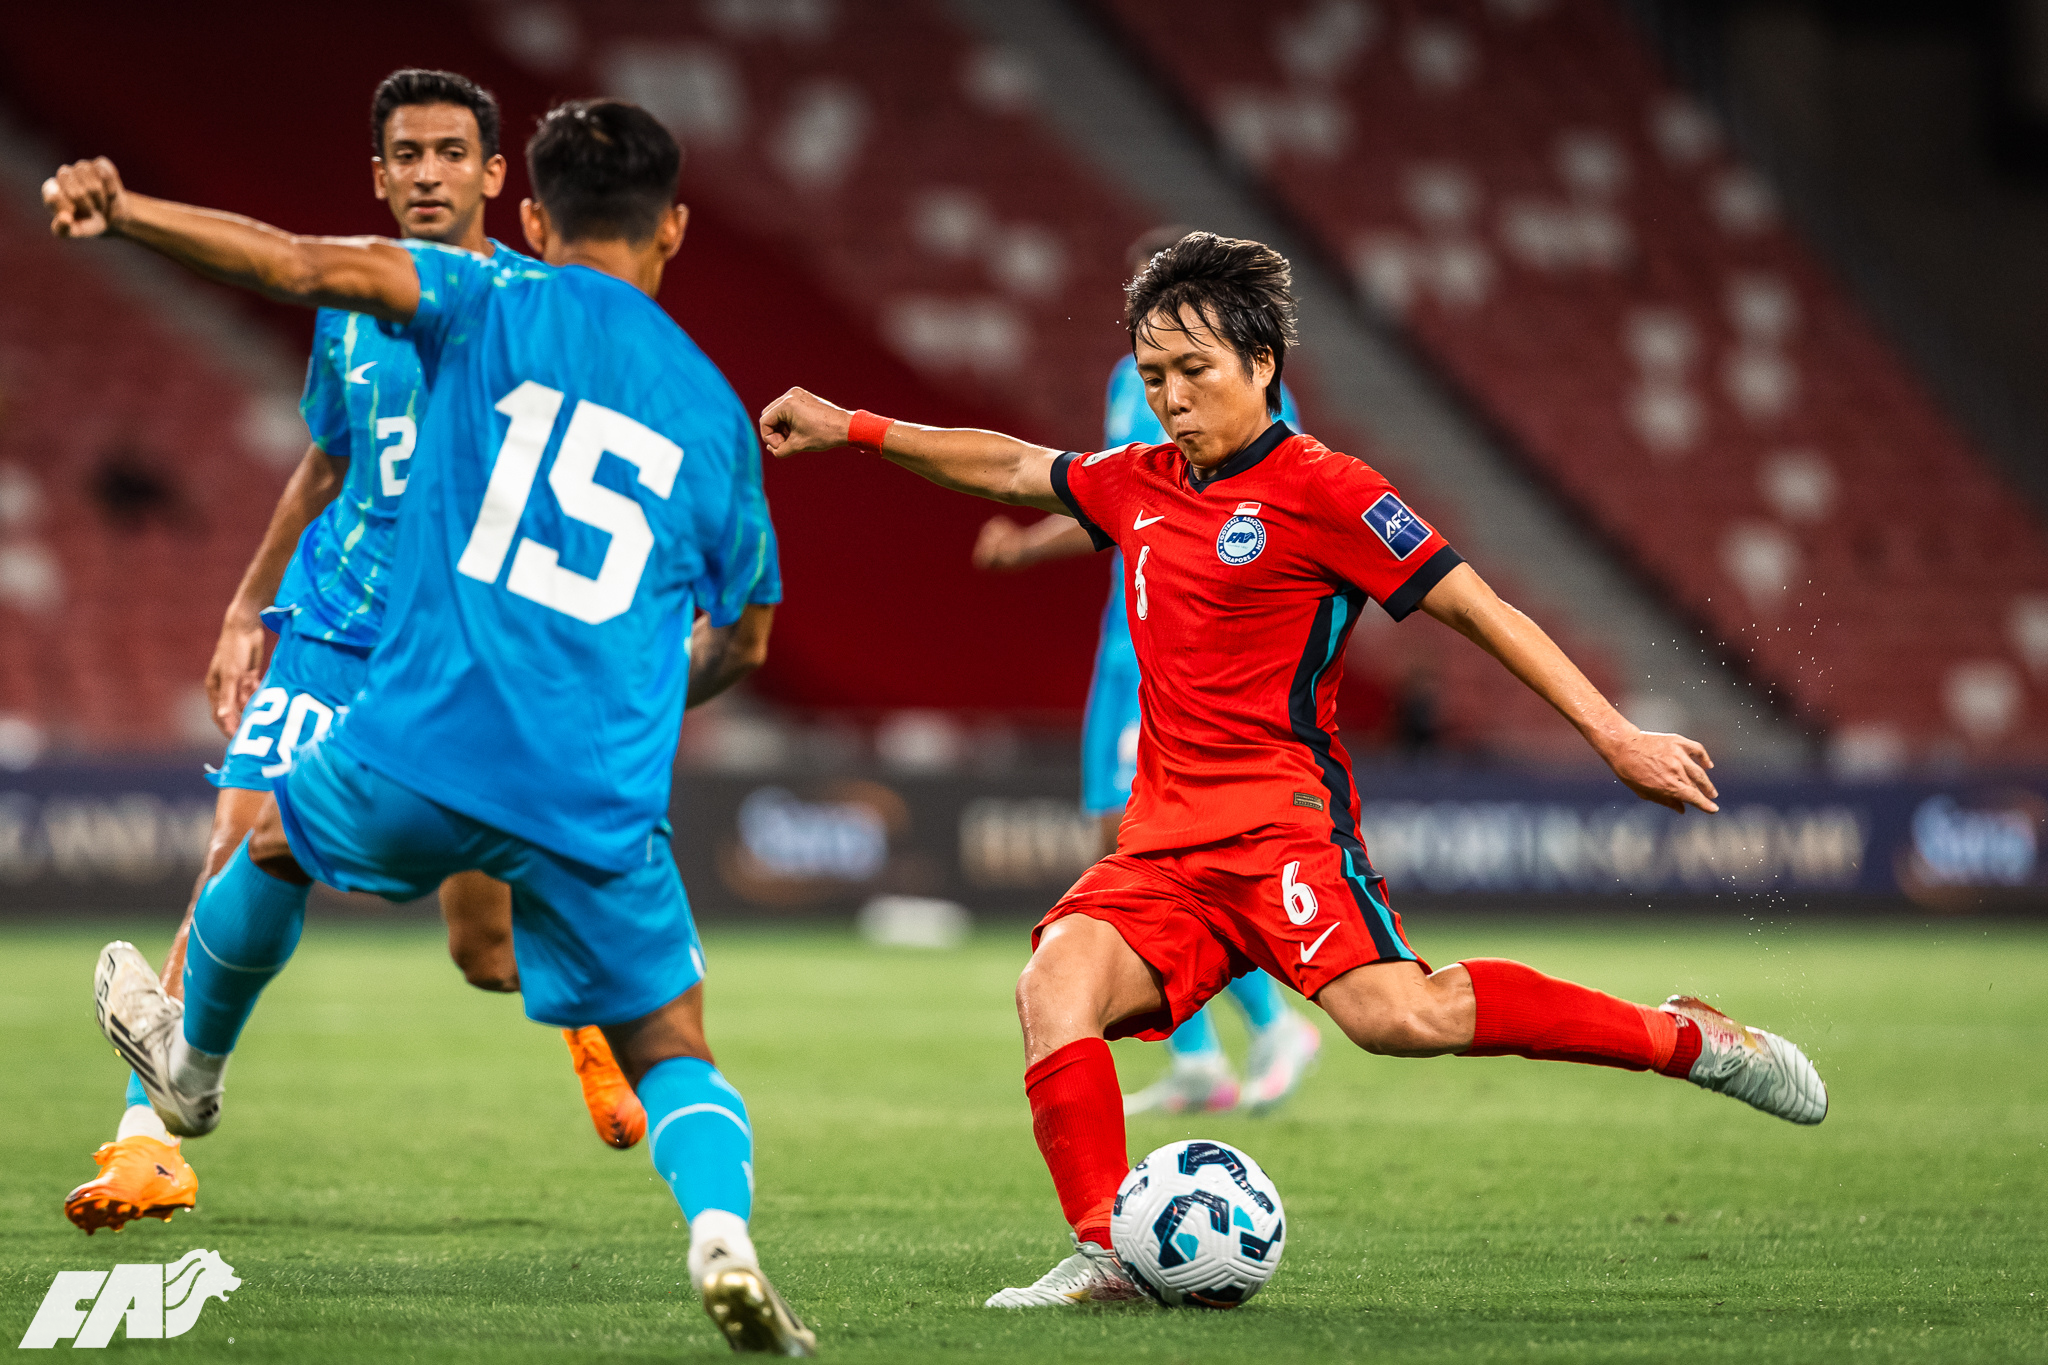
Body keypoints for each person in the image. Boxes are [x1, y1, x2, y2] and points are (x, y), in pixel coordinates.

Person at [758, 232, 1826, 1311]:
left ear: (1262, 364)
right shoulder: (1137, 482)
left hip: (1281, 833)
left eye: (1194, 371)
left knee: (1398, 1018)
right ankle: (1109, 1251)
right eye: (1153, 375)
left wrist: (1614, 733)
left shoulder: (1329, 490)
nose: (1170, 399)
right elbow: (1008, 465)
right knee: (1054, 984)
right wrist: (851, 426)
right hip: (1165, 850)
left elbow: (1477, 608)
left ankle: (1688, 1039)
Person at [46, 97, 812, 1353]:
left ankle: (189, 1073)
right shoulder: (717, 417)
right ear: (673, 227)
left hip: (426, 740)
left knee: (269, 850)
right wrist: (631, 695)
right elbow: (745, 645)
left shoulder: (481, 295)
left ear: (529, 215)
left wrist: (128, 212)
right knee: (674, 1045)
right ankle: (721, 1236)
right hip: (593, 788)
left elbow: (294, 264)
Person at [60, 71, 648, 1239]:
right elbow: (329, 461)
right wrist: (247, 606)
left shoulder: (538, 313)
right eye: (406, 155)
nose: (427, 173)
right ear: (378, 177)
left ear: (494, 175)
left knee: (484, 951)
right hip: (333, 626)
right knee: (240, 844)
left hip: (462, 646)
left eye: (450, 152)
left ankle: (586, 1015)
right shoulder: (349, 306)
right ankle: (149, 1140)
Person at [972, 227, 1322, 1118]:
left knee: (1157, 851)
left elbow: (1271, 508)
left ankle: (1275, 1023)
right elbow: (1113, 499)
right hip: (1121, 644)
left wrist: (1024, 545)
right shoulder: (1128, 381)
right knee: (1111, 840)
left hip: (1188, 652)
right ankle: (1197, 1056)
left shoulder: (1246, 386)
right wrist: (1028, 546)